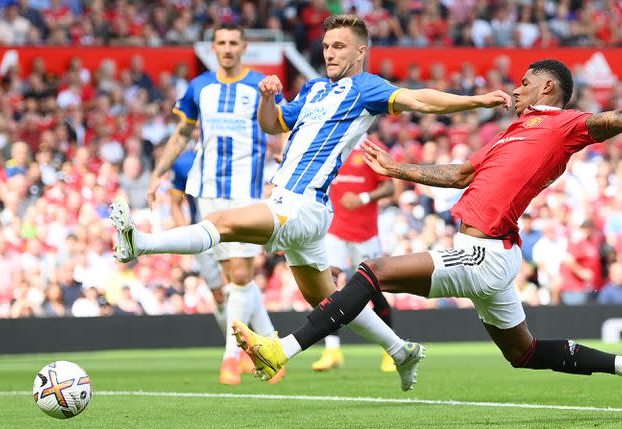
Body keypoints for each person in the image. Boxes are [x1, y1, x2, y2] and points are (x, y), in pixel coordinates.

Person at [234, 59, 622, 402]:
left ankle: (283, 348)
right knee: (524, 352)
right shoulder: (509, 133)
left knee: (372, 272)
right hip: (491, 252)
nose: (515, 91)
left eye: (523, 84)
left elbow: (617, 120)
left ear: (546, 86)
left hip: (483, 252)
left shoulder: (564, 125)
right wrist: (398, 169)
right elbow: (459, 175)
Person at [110, 14, 511, 391]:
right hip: (300, 206)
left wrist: (475, 102)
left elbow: (421, 100)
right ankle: (400, 350)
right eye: (326, 46)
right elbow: (273, 124)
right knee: (326, 300)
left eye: (340, 46)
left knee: (222, 221)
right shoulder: (315, 89)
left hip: (302, 204)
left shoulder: (366, 87)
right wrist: (268, 97)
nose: (330, 53)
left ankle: (140, 243)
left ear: (360, 53)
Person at [144, 23, 283, 385]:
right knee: (229, 277)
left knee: (240, 273)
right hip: (207, 189)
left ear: (244, 46)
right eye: (221, 42)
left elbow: (280, 130)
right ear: (214, 47)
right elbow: (183, 133)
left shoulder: (259, 86)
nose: (227, 48)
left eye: (233, 42)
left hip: (246, 190)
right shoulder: (200, 87)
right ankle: (271, 349)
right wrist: (159, 171)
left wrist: (283, 172)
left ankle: (231, 357)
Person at [169, 147, 278, 385]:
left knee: (240, 278)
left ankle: (244, 353)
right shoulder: (184, 161)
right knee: (220, 295)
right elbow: (175, 202)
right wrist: (185, 237)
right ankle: (263, 348)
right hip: (204, 234)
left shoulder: (238, 152)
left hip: (236, 227)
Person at [312, 139, 397, 373]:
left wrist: (363, 198)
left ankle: (390, 350)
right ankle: (332, 350)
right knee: (326, 286)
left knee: (375, 291)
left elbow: (390, 187)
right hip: (335, 230)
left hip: (365, 233)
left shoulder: (372, 146)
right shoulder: (334, 143)